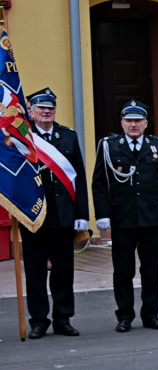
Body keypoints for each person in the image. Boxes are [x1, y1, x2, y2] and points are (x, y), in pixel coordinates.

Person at [92, 100, 158, 333]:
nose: (133, 125)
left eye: (138, 121)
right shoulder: (108, 146)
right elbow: (99, 184)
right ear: (122, 123)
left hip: (151, 218)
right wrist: (102, 215)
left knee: (151, 270)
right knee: (123, 271)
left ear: (145, 123)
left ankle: (151, 315)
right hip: (122, 218)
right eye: (129, 121)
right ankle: (124, 316)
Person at [21, 88, 89, 339]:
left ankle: (63, 318)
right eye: (41, 107)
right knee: (35, 272)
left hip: (63, 216)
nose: (47, 111)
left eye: (50, 107)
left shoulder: (68, 136)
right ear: (31, 110)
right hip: (34, 216)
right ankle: (39, 320)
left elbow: (79, 178)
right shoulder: (21, 137)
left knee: (63, 271)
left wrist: (82, 214)